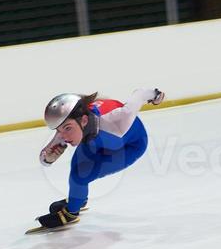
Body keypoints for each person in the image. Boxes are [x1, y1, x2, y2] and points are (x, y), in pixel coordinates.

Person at [32, 88, 165, 232]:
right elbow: (45, 156)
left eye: (67, 129)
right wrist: (48, 159)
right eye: (58, 130)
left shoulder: (118, 118)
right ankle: (79, 200)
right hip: (95, 142)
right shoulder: (73, 123)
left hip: (130, 146)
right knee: (77, 170)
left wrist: (156, 95)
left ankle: (71, 213)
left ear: (83, 120)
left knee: (81, 176)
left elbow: (139, 94)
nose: (62, 136)